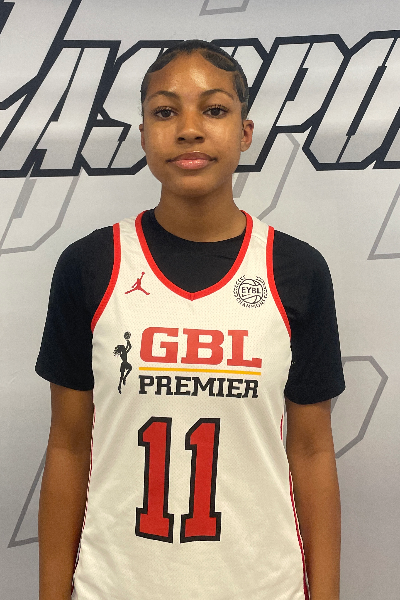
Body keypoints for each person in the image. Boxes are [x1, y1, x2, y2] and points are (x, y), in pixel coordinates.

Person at [36, 40, 345, 600]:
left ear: (245, 132)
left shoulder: (296, 271)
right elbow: (68, 447)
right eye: (165, 111)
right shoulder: (90, 265)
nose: (189, 129)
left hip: (261, 587)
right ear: (143, 135)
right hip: (115, 587)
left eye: (214, 109)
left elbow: (312, 452)